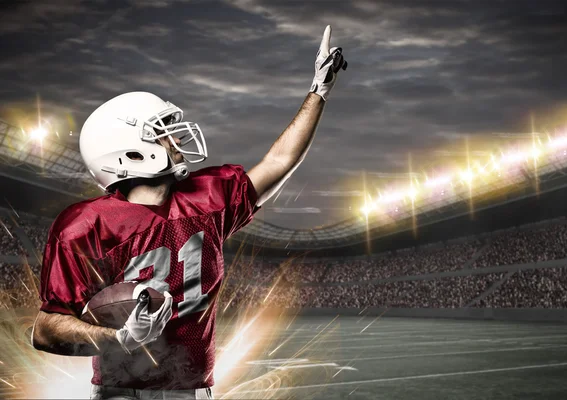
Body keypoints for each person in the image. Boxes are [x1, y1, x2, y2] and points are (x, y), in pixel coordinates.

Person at [30, 25, 347, 399]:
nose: (176, 137)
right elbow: (46, 329)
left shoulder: (208, 197)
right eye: (161, 131)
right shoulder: (86, 225)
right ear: (129, 151)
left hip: (195, 390)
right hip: (122, 392)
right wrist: (118, 339)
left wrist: (318, 90)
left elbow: (280, 160)